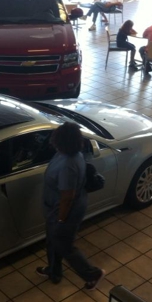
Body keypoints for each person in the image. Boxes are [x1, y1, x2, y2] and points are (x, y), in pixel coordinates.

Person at [36, 122, 105, 290]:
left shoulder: (68, 164)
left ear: (61, 141)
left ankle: (92, 274)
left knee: (64, 245)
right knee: (53, 241)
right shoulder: (69, 154)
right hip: (56, 208)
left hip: (65, 212)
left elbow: (67, 197)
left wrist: (60, 219)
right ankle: (54, 271)